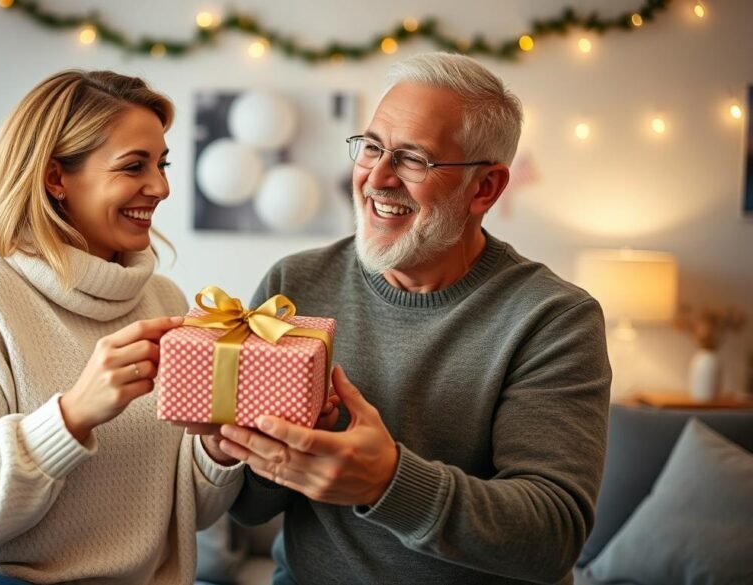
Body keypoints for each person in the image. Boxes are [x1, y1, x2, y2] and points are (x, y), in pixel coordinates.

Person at [217, 52, 612, 585]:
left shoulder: (553, 318)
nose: (377, 178)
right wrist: (246, 446)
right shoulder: (294, 287)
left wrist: (386, 482)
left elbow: (552, 537)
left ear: (486, 188)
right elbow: (249, 508)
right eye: (372, 147)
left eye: (414, 159)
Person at [0, 70, 243, 585]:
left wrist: (215, 448)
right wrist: (71, 417)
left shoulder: (163, 300)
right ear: (56, 178)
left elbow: (176, 512)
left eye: (162, 164)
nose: (161, 187)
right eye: (134, 166)